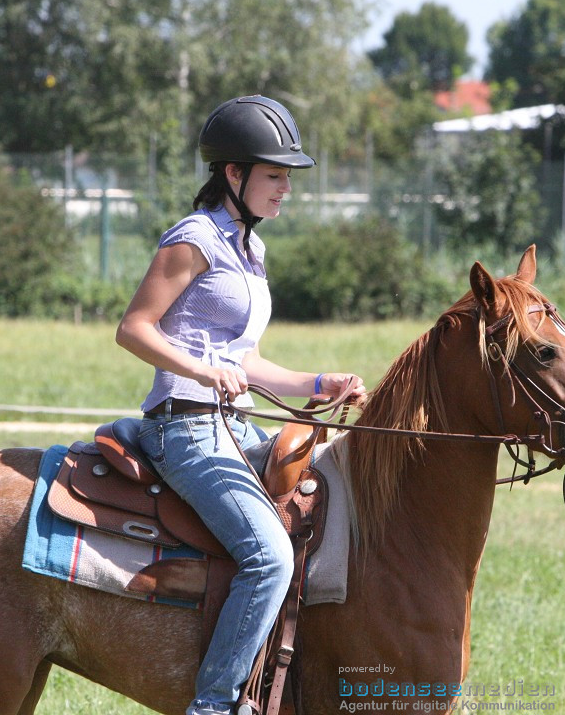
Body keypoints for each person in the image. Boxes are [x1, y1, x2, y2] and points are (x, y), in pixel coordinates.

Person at [116, 95, 366, 715]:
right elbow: (134, 328)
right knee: (269, 556)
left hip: (236, 426)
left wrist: (317, 384)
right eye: (275, 174)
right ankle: (215, 702)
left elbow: (245, 360)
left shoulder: (250, 248)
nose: (286, 188)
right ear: (234, 174)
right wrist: (204, 370)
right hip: (186, 432)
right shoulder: (195, 238)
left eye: (287, 175)